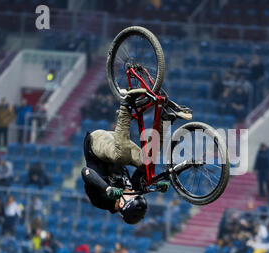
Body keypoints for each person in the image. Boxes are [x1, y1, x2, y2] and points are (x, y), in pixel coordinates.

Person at [80, 90, 191, 225]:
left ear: (121, 204)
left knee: (121, 157)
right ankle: (165, 118)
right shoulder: (132, 191)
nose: (133, 191)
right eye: (136, 193)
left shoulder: (101, 201)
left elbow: (86, 172)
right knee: (147, 163)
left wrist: (107, 188)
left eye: (132, 195)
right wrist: (157, 182)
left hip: (96, 144)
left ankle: (125, 104)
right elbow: (144, 173)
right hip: (118, 144)